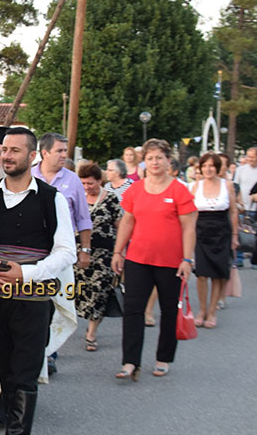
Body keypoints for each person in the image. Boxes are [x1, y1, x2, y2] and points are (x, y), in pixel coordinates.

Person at [0, 127, 76, 435]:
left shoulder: (51, 199)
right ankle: (14, 434)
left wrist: (28, 273)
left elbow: (65, 251)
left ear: (32, 157)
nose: (7, 156)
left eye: (15, 150)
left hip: (34, 301)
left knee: (26, 372)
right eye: (4, 150)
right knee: (4, 368)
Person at [111, 139, 197, 380]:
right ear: (144, 162)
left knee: (169, 311)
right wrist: (118, 252)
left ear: (168, 160)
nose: (155, 162)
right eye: (150, 158)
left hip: (171, 262)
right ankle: (130, 362)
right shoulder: (135, 189)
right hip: (138, 258)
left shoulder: (179, 190)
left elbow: (189, 227)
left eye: (159, 157)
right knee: (133, 310)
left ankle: (163, 358)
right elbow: (127, 221)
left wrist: (187, 260)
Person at [32, 132, 92, 372]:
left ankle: (49, 353)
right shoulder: (29, 176)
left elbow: (83, 218)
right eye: (59, 151)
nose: (64, 155)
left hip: (60, 252)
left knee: (57, 302)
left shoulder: (72, 180)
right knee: (36, 302)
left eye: (65, 151)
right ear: (44, 152)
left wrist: (85, 249)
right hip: (31, 251)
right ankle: (34, 351)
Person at [74, 162, 122, 351]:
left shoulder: (110, 199)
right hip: (79, 254)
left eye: (91, 183)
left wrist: (121, 252)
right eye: (84, 183)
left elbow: (120, 226)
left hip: (104, 256)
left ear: (99, 181)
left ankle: (91, 333)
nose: (87, 187)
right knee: (76, 292)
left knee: (99, 294)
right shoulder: (77, 199)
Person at [190, 153, 238, 329]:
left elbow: (233, 211)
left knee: (218, 274)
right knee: (201, 274)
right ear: (200, 168)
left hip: (222, 232)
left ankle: (212, 311)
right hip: (201, 232)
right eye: (204, 166)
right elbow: (192, 213)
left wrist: (234, 236)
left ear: (217, 168)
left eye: (211, 166)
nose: (208, 169)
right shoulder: (196, 186)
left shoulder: (228, 185)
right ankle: (202, 310)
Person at [234, 147, 257, 268]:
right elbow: (236, 186)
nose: (249, 159)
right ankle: (239, 258)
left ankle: (256, 259)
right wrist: (238, 201)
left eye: (252, 157)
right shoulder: (241, 169)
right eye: (248, 156)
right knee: (240, 232)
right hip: (243, 205)